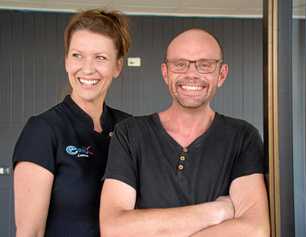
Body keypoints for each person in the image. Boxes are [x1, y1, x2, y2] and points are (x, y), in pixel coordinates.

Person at [100, 28, 270, 237]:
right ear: (165, 73)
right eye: (180, 64)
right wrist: (215, 211)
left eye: (204, 65)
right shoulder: (129, 133)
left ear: (222, 74)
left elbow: (254, 229)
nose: (191, 74)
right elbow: (114, 228)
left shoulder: (243, 137)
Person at [12, 8, 131, 237]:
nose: (87, 68)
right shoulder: (43, 130)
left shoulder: (129, 128)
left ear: (117, 66)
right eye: (77, 55)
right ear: (67, 61)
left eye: (100, 57)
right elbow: (30, 232)